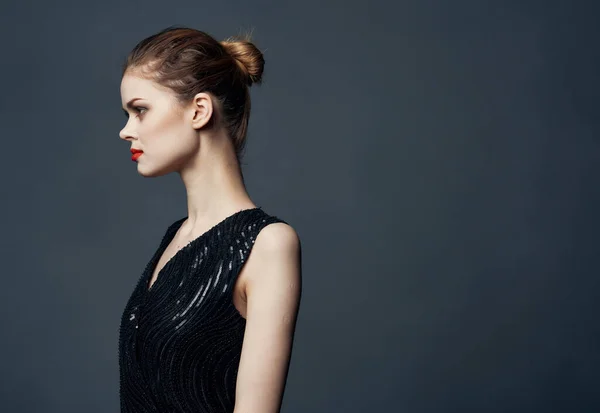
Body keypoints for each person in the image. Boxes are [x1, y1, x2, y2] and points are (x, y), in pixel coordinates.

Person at [117, 25, 302, 413]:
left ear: (199, 110)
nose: (125, 130)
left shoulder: (268, 244)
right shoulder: (175, 237)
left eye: (140, 110)